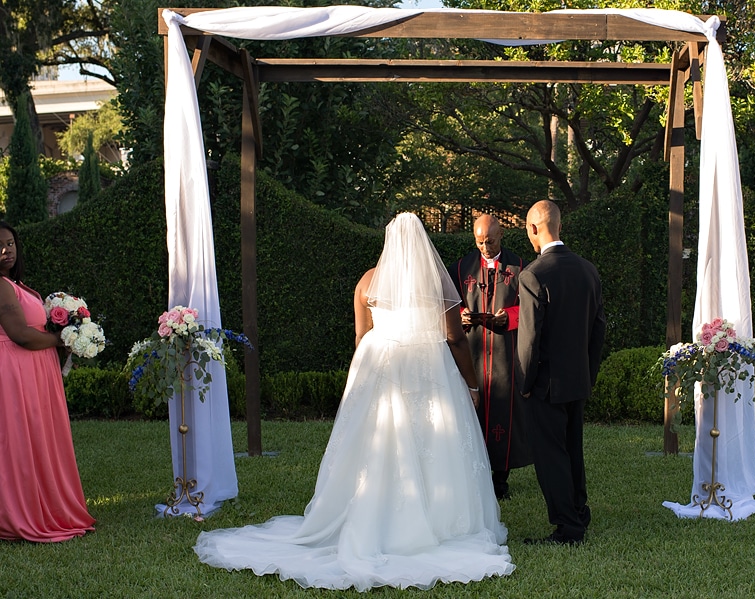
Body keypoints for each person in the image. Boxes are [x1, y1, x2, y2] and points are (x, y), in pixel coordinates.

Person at [194, 213, 514, 591]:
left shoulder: (366, 282)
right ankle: (437, 522)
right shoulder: (433, 284)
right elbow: (455, 338)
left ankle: (372, 514)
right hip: (428, 371)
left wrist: (366, 384)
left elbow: (362, 339)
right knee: (434, 440)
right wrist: (471, 384)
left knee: (377, 444)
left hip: (381, 367)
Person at [516, 200, 606, 546]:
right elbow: (599, 329)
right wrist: (589, 373)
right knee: (573, 447)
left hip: (545, 384)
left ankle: (568, 526)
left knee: (550, 454)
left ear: (534, 228)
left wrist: (525, 383)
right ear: (560, 226)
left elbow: (529, 338)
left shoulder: (534, 275)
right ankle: (579, 511)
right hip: (577, 379)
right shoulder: (588, 270)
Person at [0, 221, 95, 542]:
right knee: (20, 442)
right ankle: (22, 512)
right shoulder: (0, 285)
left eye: (10, 243)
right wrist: (63, 338)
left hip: (34, 371)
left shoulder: (16, 283)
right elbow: (20, 335)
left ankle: (44, 504)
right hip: (14, 371)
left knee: (37, 439)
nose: (5, 250)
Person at [450, 214, 531, 500]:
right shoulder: (461, 268)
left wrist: (506, 317)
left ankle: (500, 480)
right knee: (471, 413)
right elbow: (449, 304)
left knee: (502, 412)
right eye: (480, 241)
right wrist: (460, 316)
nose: (485, 247)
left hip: (503, 355)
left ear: (502, 235)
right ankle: (472, 475)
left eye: (491, 241)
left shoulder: (520, 267)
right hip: (471, 353)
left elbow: (532, 309)